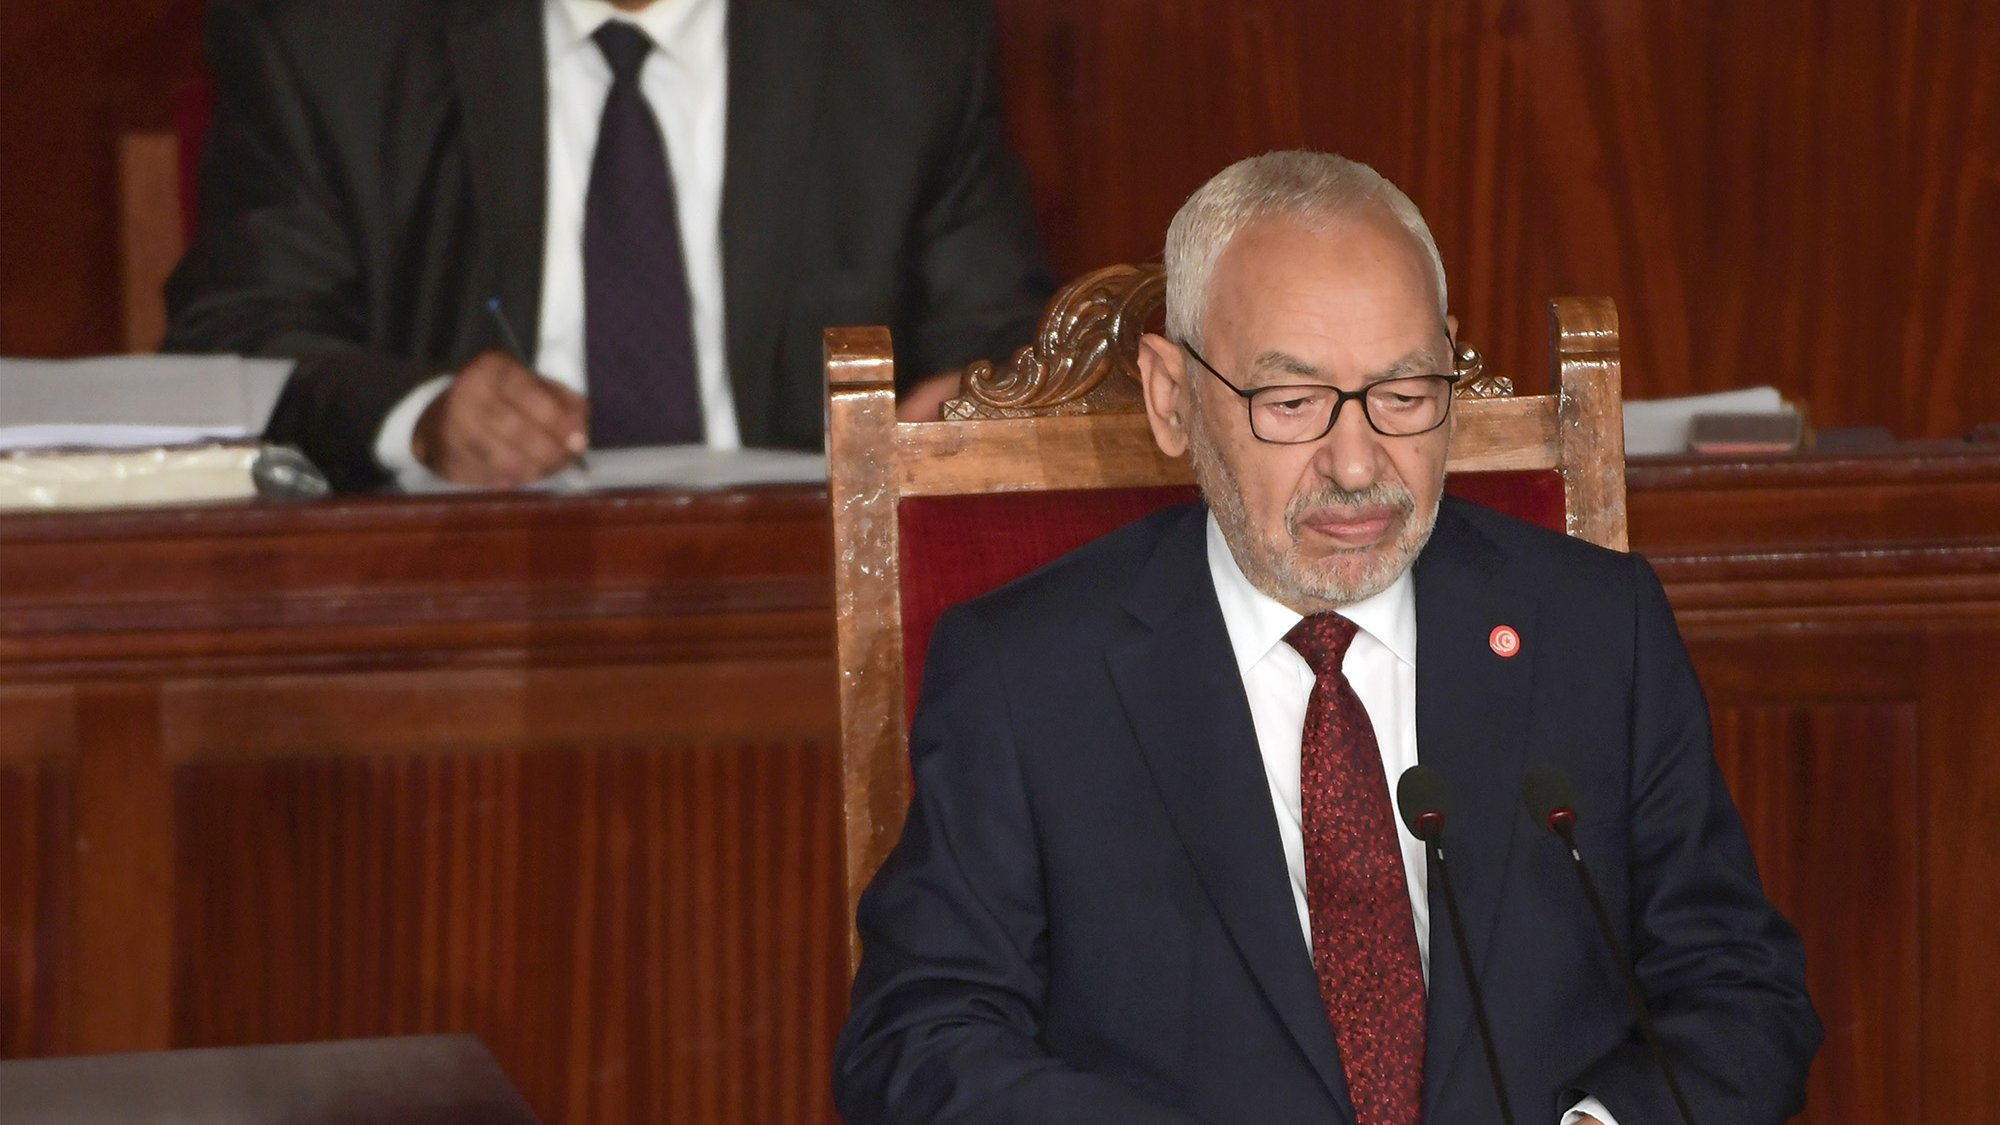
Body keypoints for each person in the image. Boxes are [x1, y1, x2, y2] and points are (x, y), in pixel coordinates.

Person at [834, 151, 1820, 1124]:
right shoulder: (1029, 676)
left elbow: (1740, 992)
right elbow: (919, 1039)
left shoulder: (1594, 631)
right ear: (1172, 398)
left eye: (1404, 394)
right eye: (1291, 404)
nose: (1355, 465)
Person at [164, 0, 1051, 491]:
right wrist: (422, 417)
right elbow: (237, 336)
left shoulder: (909, 36)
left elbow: (1002, 336)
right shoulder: (329, 37)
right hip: (441, 600)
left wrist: (974, 406)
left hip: (807, 595)